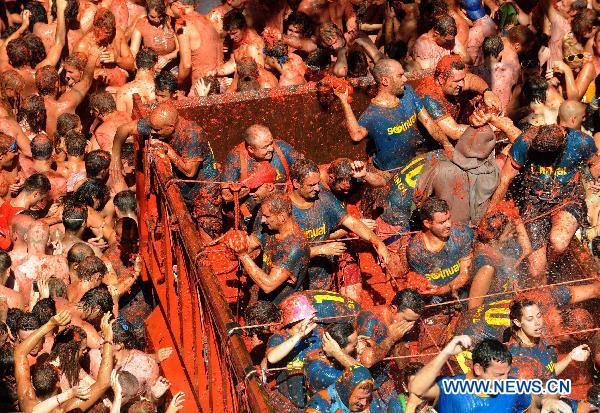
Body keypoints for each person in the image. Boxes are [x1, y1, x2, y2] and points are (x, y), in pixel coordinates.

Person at [487, 123, 600, 282]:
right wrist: (491, 212)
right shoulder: (526, 141)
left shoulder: (581, 142)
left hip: (568, 201)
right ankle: (542, 271)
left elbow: (595, 163)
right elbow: (505, 179)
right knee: (535, 271)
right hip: (535, 206)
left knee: (559, 242)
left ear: (561, 147)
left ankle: (551, 265)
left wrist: (596, 179)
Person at [111, 103, 222, 237]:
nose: (152, 132)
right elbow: (124, 129)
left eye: (157, 130)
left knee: (207, 236)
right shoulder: (156, 124)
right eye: (151, 128)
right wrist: (115, 159)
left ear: (171, 127)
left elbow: (190, 171)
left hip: (204, 190)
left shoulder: (192, 135)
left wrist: (167, 150)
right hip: (181, 187)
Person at [288, 158, 389, 289]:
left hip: (323, 273)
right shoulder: (285, 210)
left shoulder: (325, 199)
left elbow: (353, 223)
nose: (317, 188)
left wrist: (378, 243)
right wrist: (320, 249)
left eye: (317, 184)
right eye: (312, 185)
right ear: (296, 184)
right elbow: (285, 253)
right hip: (295, 280)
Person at [337, 58, 451, 173]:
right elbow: (356, 135)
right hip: (390, 172)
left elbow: (428, 122)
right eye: (400, 75)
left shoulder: (408, 92)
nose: (405, 79)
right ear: (385, 81)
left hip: (414, 162)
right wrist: (344, 102)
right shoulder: (374, 113)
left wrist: (447, 144)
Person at [409, 336, 573, 413]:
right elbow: (417, 388)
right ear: (478, 369)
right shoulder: (450, 388)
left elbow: (541, 395)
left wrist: (549, 400)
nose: (504, 381)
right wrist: (446, 352)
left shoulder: (512, 387)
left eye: (507, 374)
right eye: (498, 375)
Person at [225, 193, 310, 304]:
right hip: (264, 300)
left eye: (267, 216)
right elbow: (246, 245)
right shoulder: (269, 229)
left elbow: (268, 285)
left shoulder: (295, 246)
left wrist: (243, 256)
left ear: (282, 217)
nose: (263, 220)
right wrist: (236, 242)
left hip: (283, 307)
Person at [221, 124, 301, 224]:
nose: (271, 148)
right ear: (251, 149)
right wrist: (252, 187)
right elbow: (226, 196)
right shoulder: (236, 158)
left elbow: (304, 169)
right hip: (252, 213)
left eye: (271, 143)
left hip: (285, 205)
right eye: (265, 147)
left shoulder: (282, 149)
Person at [414, 55, 502, 141]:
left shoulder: (452, 80)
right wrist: (488, 129)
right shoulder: (429, 98)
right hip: (428, 147)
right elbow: (454, 132)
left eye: (462, 79)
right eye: (457, 81)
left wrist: (487, 92)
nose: (462, 84)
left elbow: (471, 79)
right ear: (441, 79)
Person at [504, 299, 591, 381]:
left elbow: (547, 369)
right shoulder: (517, 356)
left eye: (539, 316)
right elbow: (543, 380)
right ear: (518, 322)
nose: (538, 322)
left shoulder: (537, 335)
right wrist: (570, 357)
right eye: (530, 319)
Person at [407, 197, 473, 302]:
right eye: (442, 222)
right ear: (427, 223)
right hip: (436, 301)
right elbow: (424, 286)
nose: (449, 225)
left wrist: (442, 290)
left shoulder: (462, 234)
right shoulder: (416, 250)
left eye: (449, 219)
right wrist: (433, 290)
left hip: (463, 294)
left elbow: (465, 273)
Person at [168, 0, 223, 93]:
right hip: (221, 82)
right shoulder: (207, 19)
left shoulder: (182, 23)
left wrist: (177, 84)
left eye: (170, 5)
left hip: (202, 86)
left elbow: (186, 65)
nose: (169, 10)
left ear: (177, 4)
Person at [305, 364, 384, 412]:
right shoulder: (320, 404)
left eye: (367, 398)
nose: (364, 403)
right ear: (346, 392)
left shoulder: (370, 402)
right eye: (359, 398)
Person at [115, 48, 158, 114]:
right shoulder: (161, 90)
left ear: (135, 64)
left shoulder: (123, 91)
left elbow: (121, 121)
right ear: (155, 65)